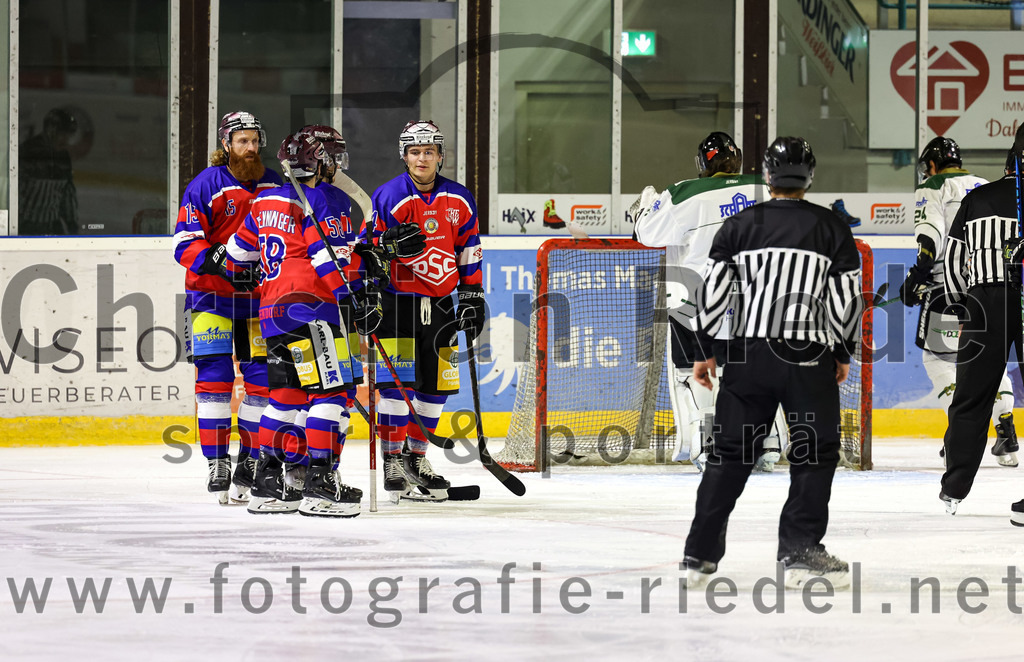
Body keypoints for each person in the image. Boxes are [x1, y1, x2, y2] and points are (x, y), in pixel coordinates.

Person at [683, 136, 863, 590]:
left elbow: (712, 297)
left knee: (728, 456)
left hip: (747, 355)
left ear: (766, 176)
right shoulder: (832, 229)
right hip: (808, 355)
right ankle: (800, 552)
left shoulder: (738, 226)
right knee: (813, 455)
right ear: (809, 176)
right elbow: (845, 302)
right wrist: (842, 352)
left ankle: (698, 556)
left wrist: (708, 349)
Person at [225, 131, 387, 517]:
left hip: (273, 314)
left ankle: (266, 484)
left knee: (285, 398)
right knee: (330, 396)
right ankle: (320, 487)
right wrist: (355, 298)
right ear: (319, 162)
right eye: (332, 158)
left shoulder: (264, 200)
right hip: (314, 309)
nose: (336, 165)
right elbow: (326, 260)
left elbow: (236, 255)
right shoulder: (323, 199)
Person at [632, 131, 786, 472]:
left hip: (695, 298)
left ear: (704, 163)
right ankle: (767, 443)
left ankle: (709, 445)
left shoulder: (686, 192)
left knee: (694, 373)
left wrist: (643, 206)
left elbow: (646, 234)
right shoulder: (766, 187)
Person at [363, 120, 485, 501]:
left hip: (443, 305)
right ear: (404, 156)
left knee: (435, 390)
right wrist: (385, 244)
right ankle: (392, 461)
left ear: (440, 156)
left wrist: (473, 295)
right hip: (397, 301)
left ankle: (416, 459)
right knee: (396, 390)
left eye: (428, 151)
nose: (422, 158)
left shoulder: (459, 198)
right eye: (415, 152)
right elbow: (366, 250)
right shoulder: (386, 196)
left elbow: (468, 248)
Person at [173, 111, 282, 504]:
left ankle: (250, 461)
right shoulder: (205, 185)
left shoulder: (275, 185)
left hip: (258, 304)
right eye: (242, 141)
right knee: (214, 381)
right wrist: (224, 264)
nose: (250, 148)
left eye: (254, 140)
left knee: (261, 384)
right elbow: (183, 244)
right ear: (226, 145)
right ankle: (217, 461)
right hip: (208, 299)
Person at [900, 137, 1017, 467]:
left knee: (937, 360)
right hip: (987, 288)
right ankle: (1006, 429)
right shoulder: (983, 185)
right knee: (988, 361)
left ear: (933, 165)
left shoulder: (933, 185)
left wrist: (917, 276)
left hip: (947, 288)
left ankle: (958, 435)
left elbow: (930, 237)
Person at [942, 136, 1024, 517]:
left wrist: (962, 304)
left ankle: (954, 487)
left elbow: (953, 259)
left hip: (983, 300)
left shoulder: (976, 199)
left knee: (971, 395)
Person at [19, 108, 78, 235]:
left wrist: (71, 222)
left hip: (52, 225)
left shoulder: (63, 157)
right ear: (51, 130)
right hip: (23, 226)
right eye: (63, 134)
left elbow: (67, 194)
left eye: (69, 135)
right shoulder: (28, 152)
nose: (66, 140)